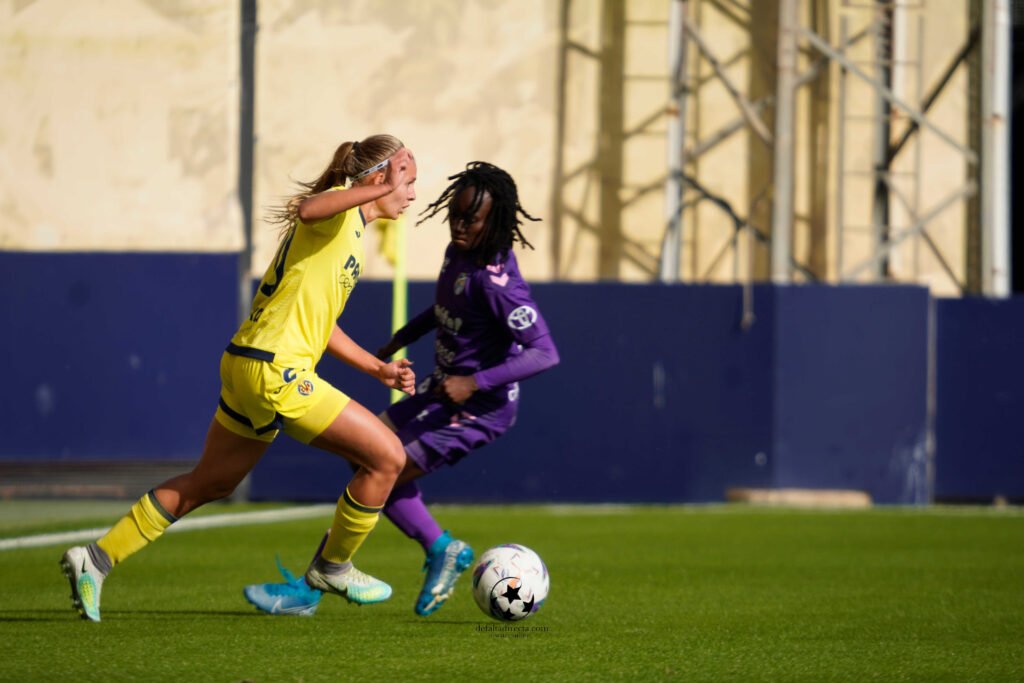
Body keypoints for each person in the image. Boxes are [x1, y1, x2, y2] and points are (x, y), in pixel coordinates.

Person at [60, 135, 420, 622]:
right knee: (387, 457)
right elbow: (310, 209)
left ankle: (96, 559)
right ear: (378, 177)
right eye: (405, 179)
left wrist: (375, 368)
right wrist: (367, 190)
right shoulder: (339, 215)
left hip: (249, 362)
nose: (411, 192)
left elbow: (322, 321)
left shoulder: (350, 232)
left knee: (210, 482)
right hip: (276, 368)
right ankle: (332, 567)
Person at [242, 161, 560, 617]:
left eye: (471, 218)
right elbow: (447, 306)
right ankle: (439, 547)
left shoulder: (499, 284)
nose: (459, 225)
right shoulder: (460, 254)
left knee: (376, 466)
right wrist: (402, 339)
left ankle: (310, 592)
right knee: (365, 457)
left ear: (496, 221)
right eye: (455, 214)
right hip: (439, 389)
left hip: (477, 407)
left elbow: (544, 352)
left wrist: (474, 382)